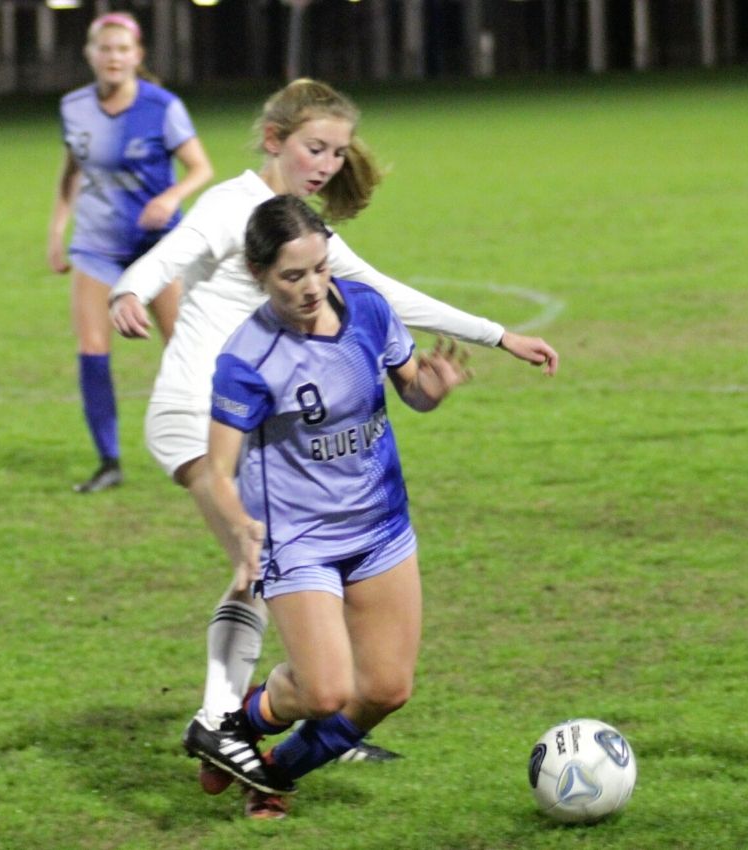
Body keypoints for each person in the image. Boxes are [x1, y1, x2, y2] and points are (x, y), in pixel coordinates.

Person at [108, 79, 557, 795]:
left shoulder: (305, 236)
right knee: (259, 559)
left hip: (257, 415)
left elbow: (385, 295)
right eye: (315, 147)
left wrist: (498, 335)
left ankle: (292, 710)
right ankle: (227, 721)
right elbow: (173, 251)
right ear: (273, 140)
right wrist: (127, 289)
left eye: (338, 152)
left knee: (275, 570)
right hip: (196, 407)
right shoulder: (230, 206)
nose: (326, 163)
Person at [188, 194, 470, 819]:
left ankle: (274, 773)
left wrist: (434, 388)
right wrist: (237, 526)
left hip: (380, 526)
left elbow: (411, 395)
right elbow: (217, 465)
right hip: (300, 538)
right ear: (260, 275)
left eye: (320, 268)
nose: (313, 287)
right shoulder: (248, 359)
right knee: (325, 690)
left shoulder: (367, 310)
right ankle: (234, 723)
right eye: (293, 276)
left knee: (387, 689)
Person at [48, 11, 213, 493]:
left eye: (123, 49)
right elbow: (71, 173)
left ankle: (208, 447)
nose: (113, 57)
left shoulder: (162, 106)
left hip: (157, 249)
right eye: (105, 48)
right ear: (90, 54)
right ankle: (109, 461)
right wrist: (57, 232)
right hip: (96, 246)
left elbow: (200, 168)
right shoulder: (73, 106)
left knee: (183, 349)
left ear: (137, 56)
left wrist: (170, 197)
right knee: (93, 351)